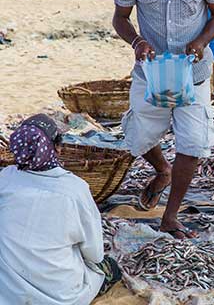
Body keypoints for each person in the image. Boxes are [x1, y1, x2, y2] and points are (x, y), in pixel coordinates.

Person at [112, 0, 214, 239]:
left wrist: (202, 42)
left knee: (191, 143)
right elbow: (120, 18)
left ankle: (171, 215)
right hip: (152, 72)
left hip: (194, 74)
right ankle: (162, 169)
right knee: (138, 135)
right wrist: (136, 41)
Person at [0, 115, 122, 303]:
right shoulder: (75, 189)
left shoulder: (5, 178)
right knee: (111, 269)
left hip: (8, 292)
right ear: (56, 148)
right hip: (61, 296)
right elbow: (95, 254)